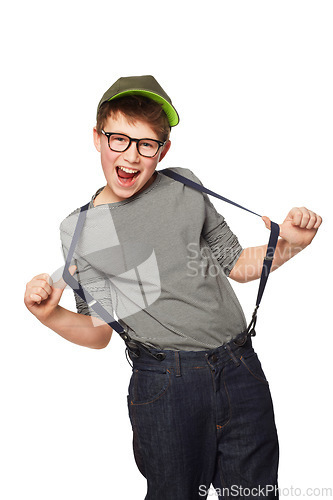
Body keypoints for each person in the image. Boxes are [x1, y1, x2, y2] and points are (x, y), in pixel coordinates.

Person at [24, 75, 322, 499]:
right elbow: (97, 332)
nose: (131, 155)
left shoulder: (184, 184)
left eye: (146, 144)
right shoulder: (83, 229)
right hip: (167, 386)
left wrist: (290, 245)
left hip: (240, 368)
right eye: (119, 139)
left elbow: (235, 263)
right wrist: (49, 314)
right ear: (97, 138)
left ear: (163, 150)